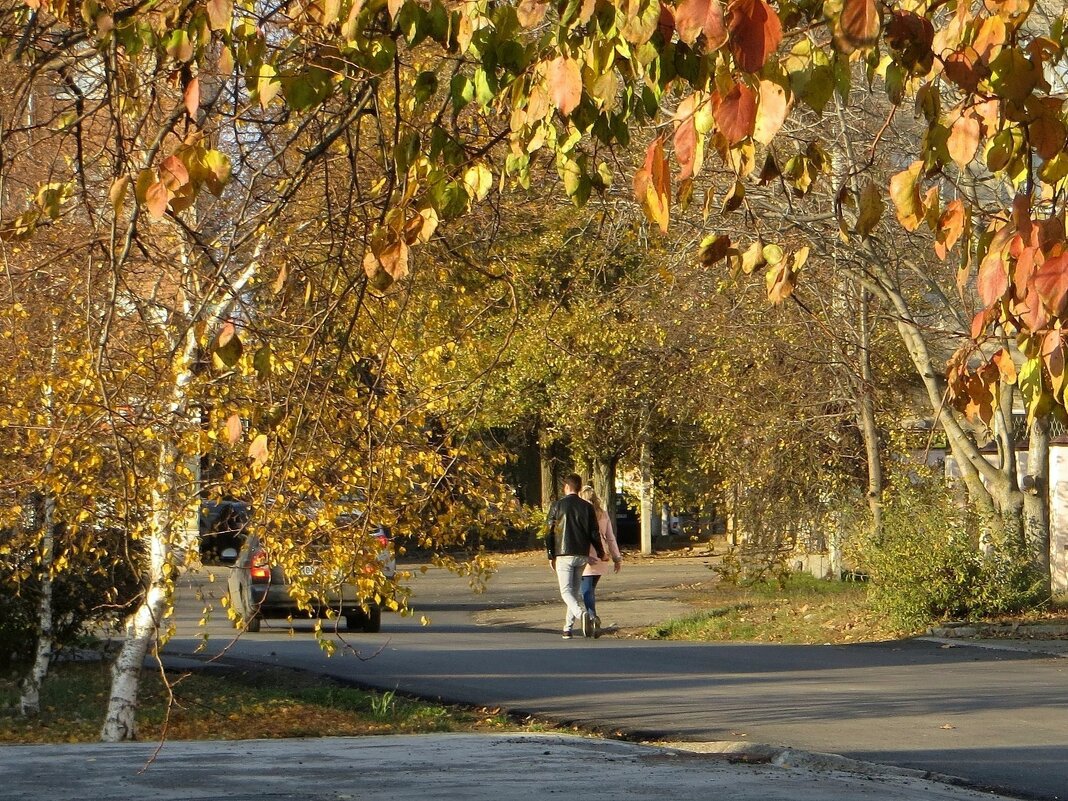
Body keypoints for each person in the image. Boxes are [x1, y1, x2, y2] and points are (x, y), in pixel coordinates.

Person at [545, 473, 605, 639]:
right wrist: (600, 552)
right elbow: (594, 533)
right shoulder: (587, 507)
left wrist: (551, 554)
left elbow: (548, 532)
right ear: (579, 488)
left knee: (565, 592)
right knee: (573, 591)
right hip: (581, 554)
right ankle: (567, 628)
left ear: (566, 487)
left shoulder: (557, 506)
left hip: (563, 553)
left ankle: (582, 615)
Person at [579, 485, 622, 635]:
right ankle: (592, 618)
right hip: (602, 555)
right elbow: (610, 537)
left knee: (585, 590)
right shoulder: (603, 514)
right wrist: (617, 557)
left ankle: (592, 617)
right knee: (589, 589)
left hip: (587, 555)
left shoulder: (583, 513)